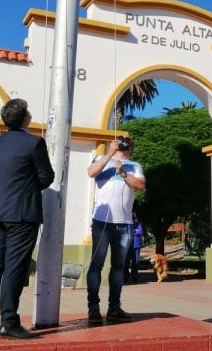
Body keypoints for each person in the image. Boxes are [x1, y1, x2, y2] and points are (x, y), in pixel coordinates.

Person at [0, 98, 55, 339]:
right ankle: (9, 321)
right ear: (25, 118)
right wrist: (28, 188)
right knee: (14, 267)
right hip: (22, 214)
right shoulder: (34, 143)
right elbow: (46, 178)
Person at [86, 135, 146, 325]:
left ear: (131, 148)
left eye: (127, 142)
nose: (124, 144)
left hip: (125, 224)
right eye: (121, 141)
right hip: (102, 222)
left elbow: (140, 185)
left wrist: (123, 173)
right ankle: (93, 308)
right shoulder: (101, 159)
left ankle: (114, 307)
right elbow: (91, 172)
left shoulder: (135, 165)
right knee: (97, 264)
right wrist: (109, 154)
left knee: (119, 267)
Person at [124, 212, 144, 283]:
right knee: (126, 262)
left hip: (136, 246)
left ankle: (134, 278)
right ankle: (125, 277)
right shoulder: (127, 224)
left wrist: (133, 232)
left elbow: (140, 232)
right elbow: (126, 233)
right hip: (128, 246)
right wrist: (135, 231)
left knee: (135, 263)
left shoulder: (138, 224)